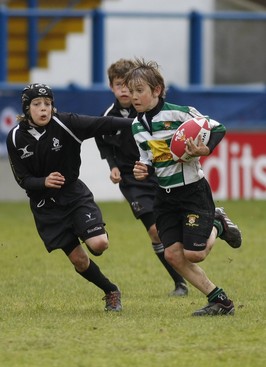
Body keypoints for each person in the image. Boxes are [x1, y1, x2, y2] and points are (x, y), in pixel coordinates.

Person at [123, 59, 242, 316]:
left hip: (192, 192)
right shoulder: (136, 126)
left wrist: (205, 149)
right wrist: (141, 169)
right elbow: (148, 159)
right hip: (164, 197)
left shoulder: (180, 113)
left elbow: (217, 127)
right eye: (131, 91)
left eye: (140, 90)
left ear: (157, 90)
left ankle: (218, 222)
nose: (134, 96)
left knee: (195, 254)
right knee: (173, 255)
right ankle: (220, 300)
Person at [6, 83, 134, 312]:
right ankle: (111, 291)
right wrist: (43, 181)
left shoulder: (67, 123)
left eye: (48, 104)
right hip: (46, 206)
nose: (44, 109)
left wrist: (137, 124)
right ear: (27, 108)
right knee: (79, 261)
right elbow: (23, 179)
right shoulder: (15, 137)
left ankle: (91, 229)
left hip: (73, 195)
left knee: (99, 244)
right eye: (37, 104)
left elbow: (102, 124)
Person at [95, 58, 188, 296]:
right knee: (155, 231)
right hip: (132, 179)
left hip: (158, 172)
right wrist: (112, 165)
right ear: (111, 87)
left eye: (130, 85)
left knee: (178, 220)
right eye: (119, 85)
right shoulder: (109, 115)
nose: (125, 91)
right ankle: (180, 282)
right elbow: (101, 139)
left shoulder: (149, 110)